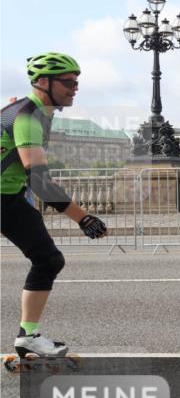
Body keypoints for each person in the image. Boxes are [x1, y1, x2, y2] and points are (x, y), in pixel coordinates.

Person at [1, 52, 107, 361]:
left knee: (48, 260)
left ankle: (28, 336)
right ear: (43, 82)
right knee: (47, 259)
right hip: (5, 196)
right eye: (68, 82)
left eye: (76, 82)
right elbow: (41, 182)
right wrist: (83, 218)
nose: (74, 88)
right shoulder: (28, 116)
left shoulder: (30, 112)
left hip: (8, 195)